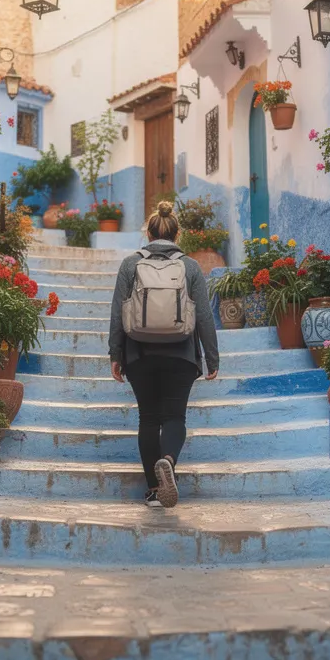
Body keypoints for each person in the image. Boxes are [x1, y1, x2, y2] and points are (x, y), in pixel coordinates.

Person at [108, 201, 220, 509]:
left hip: (139, 354)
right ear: (177, 233)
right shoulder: (190, 266)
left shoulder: (131, 264)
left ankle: (156, 490)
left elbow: (118, 312)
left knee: (148, 418)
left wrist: (114, 354)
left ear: (148, 232)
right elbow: (205, 317)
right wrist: (212, 358)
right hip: (181, 354)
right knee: (174, 416)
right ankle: (168, 459)